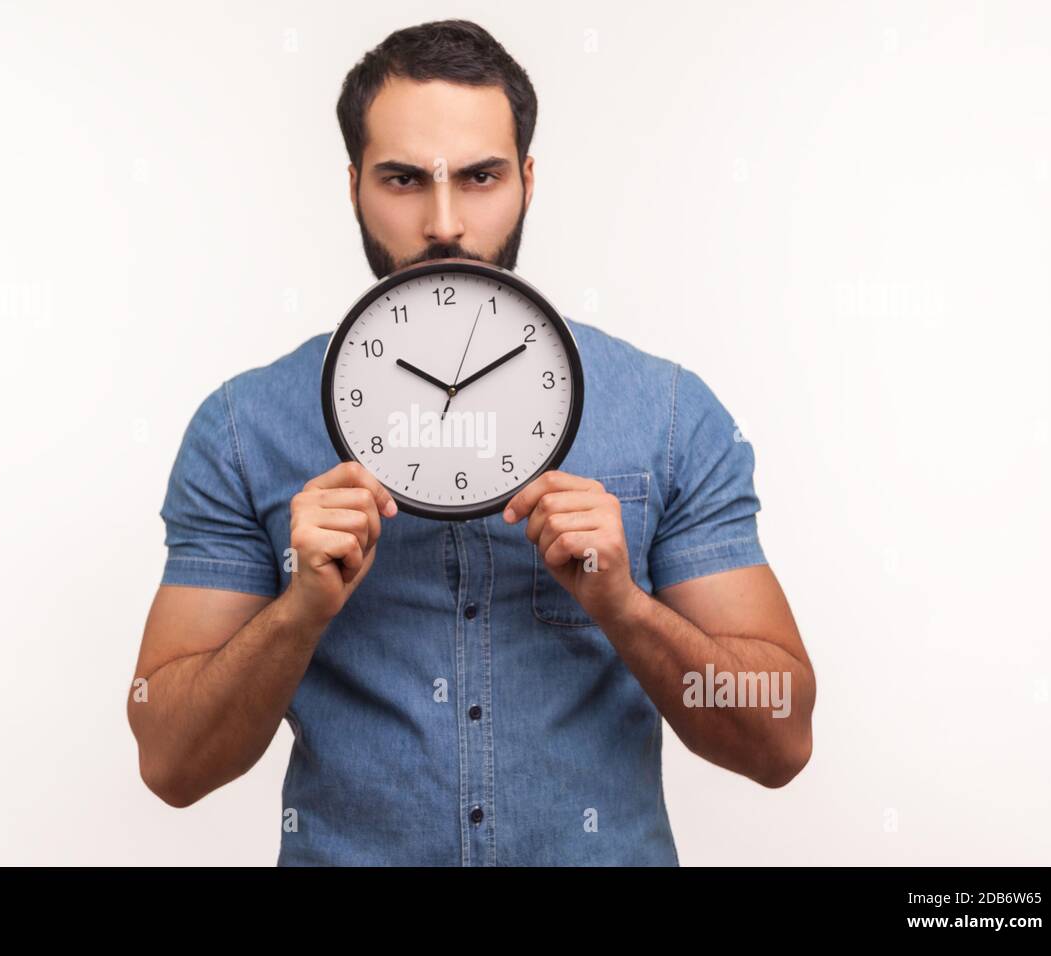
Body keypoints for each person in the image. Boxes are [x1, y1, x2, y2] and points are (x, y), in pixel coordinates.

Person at [127, 19, 814, 866]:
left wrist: (626, 607)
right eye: (404, 179)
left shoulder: (667, 414)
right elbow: (169, 758)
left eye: (481, 177)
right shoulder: (245, 429)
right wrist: (297, 611)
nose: (444, 222)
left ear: (527, 181)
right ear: (354, 188)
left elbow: (781, 739)